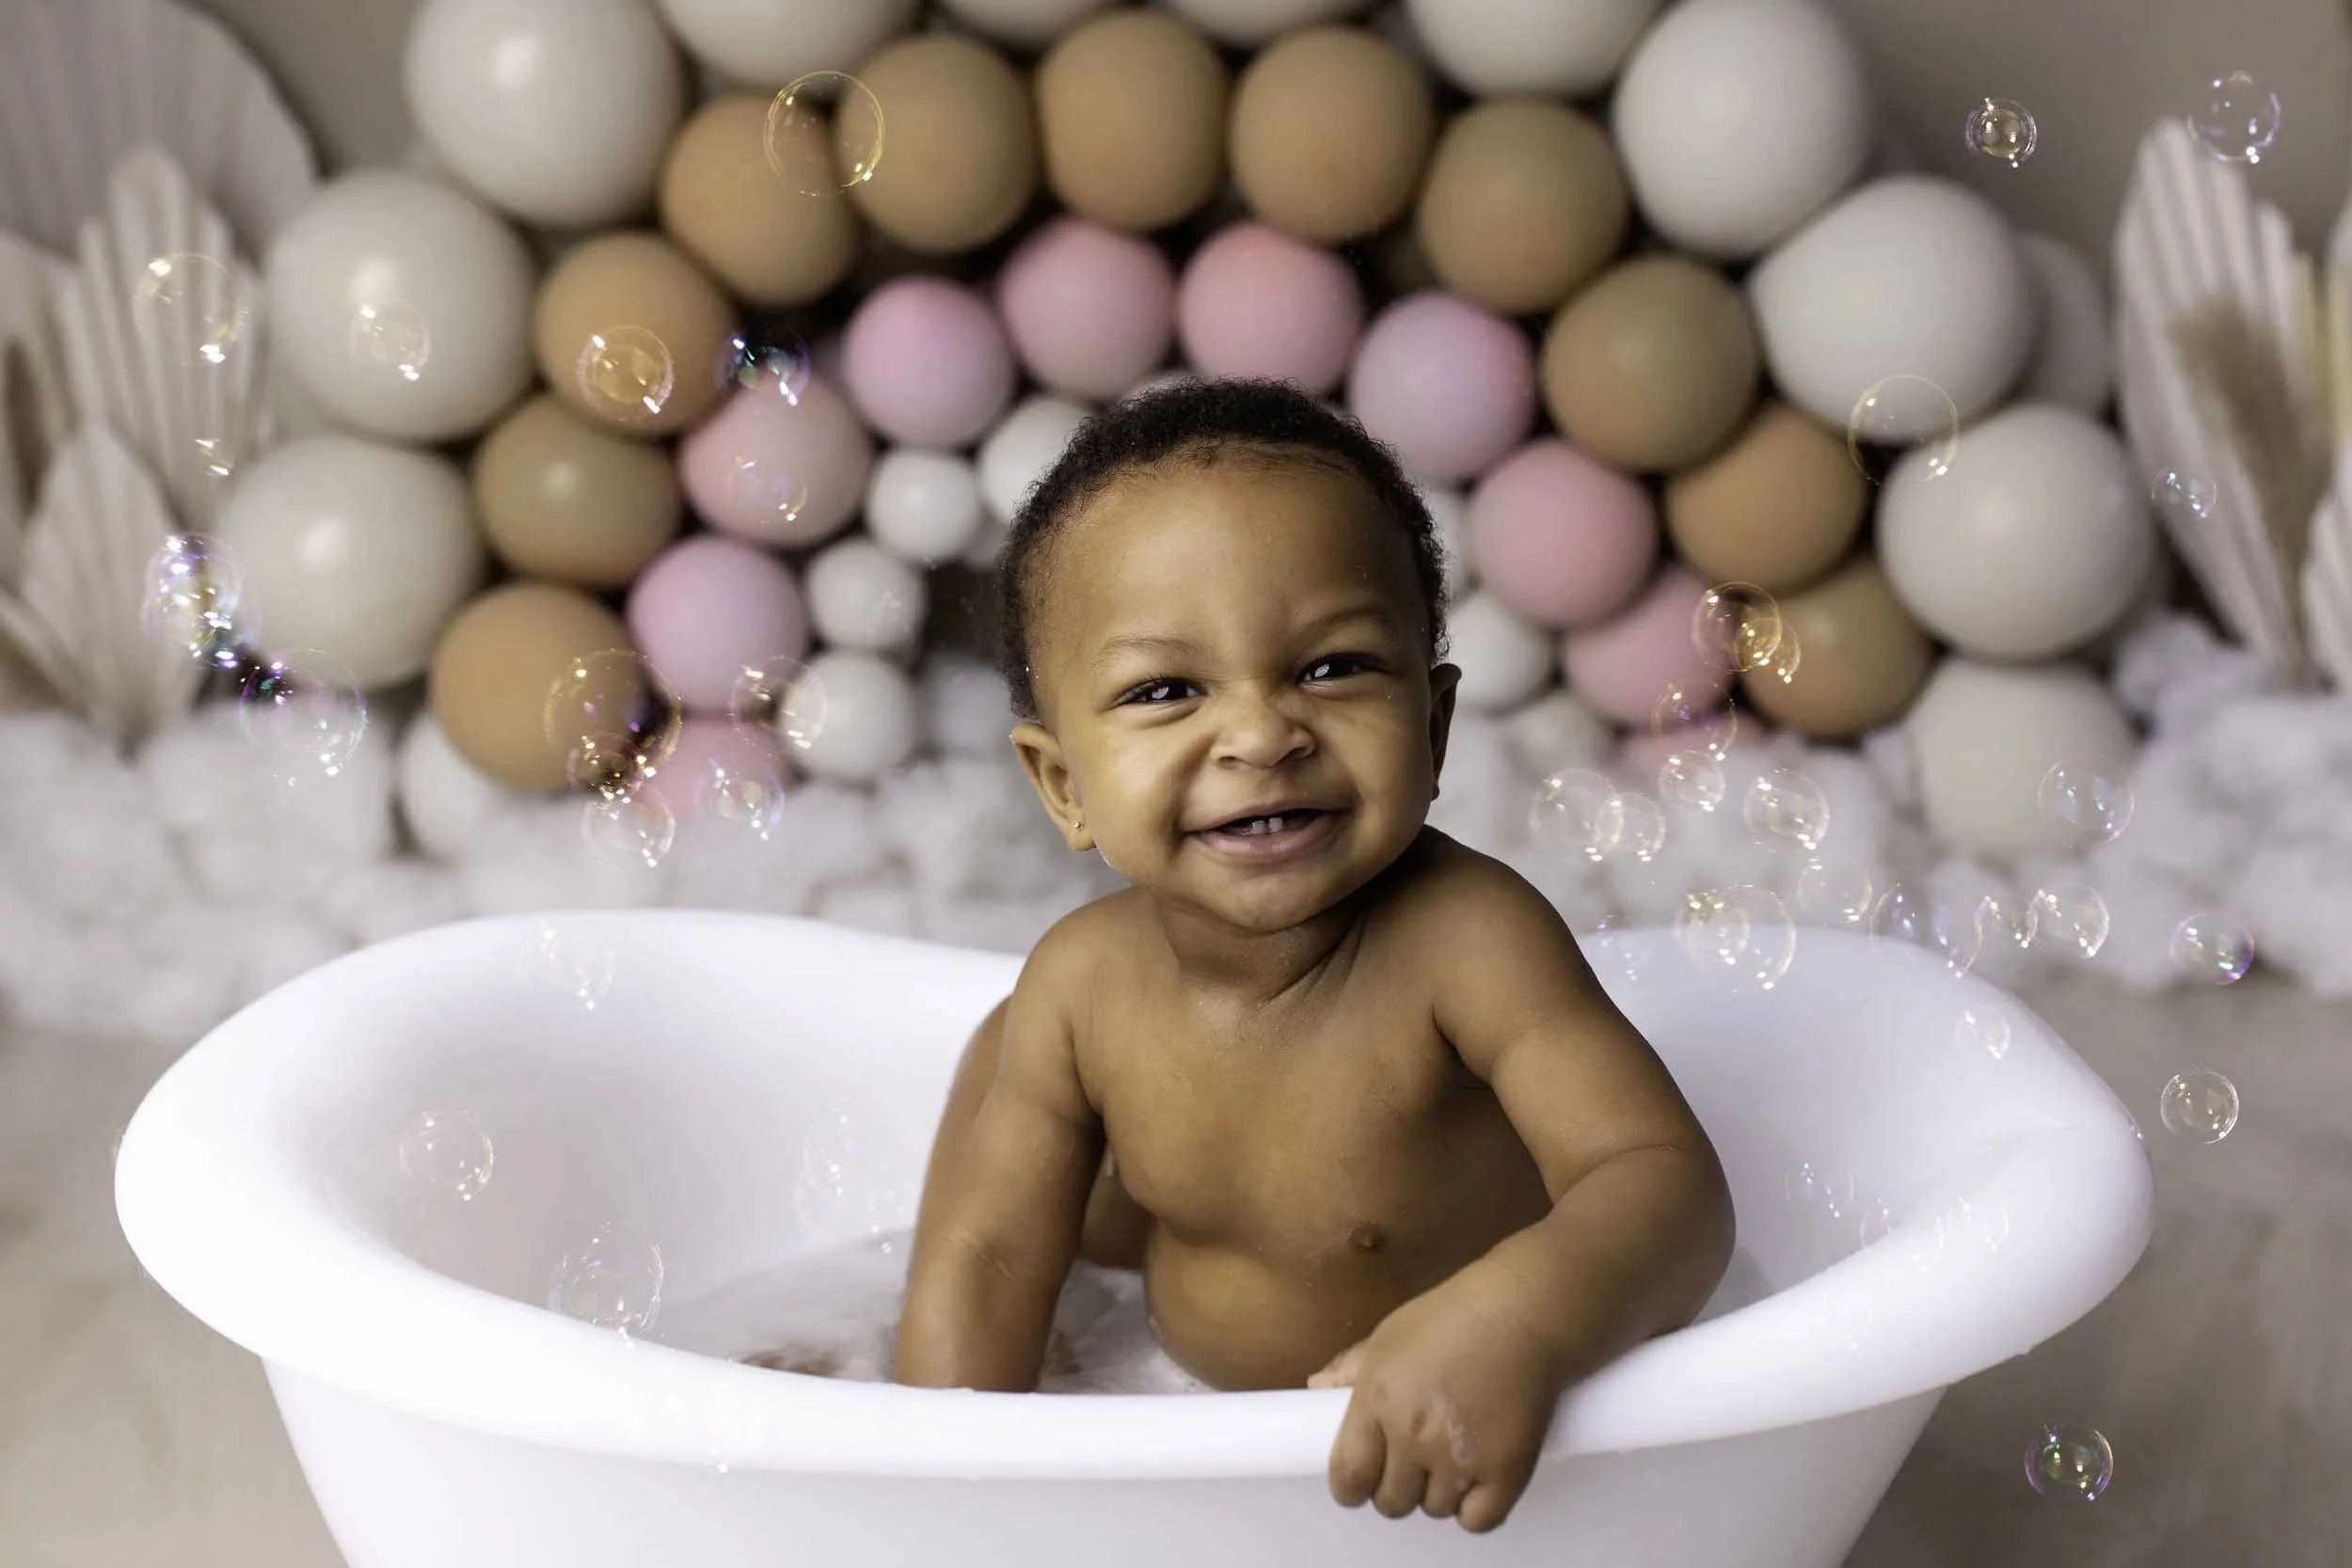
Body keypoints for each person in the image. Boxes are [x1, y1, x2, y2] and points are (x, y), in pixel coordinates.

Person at [894, 377, 1733, 1534]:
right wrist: (928, 1481)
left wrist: (1519, 1320)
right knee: (1010, 1100)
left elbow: (1666, 1184)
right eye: (1166, 688)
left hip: (1411, 1466)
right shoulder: (1082, 986)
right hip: (1177, 1388)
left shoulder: (1469, 941)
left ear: (1432, 728)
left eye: (1332, 666)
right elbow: (990, 1257)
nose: (1259, 732)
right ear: (1062, 784)